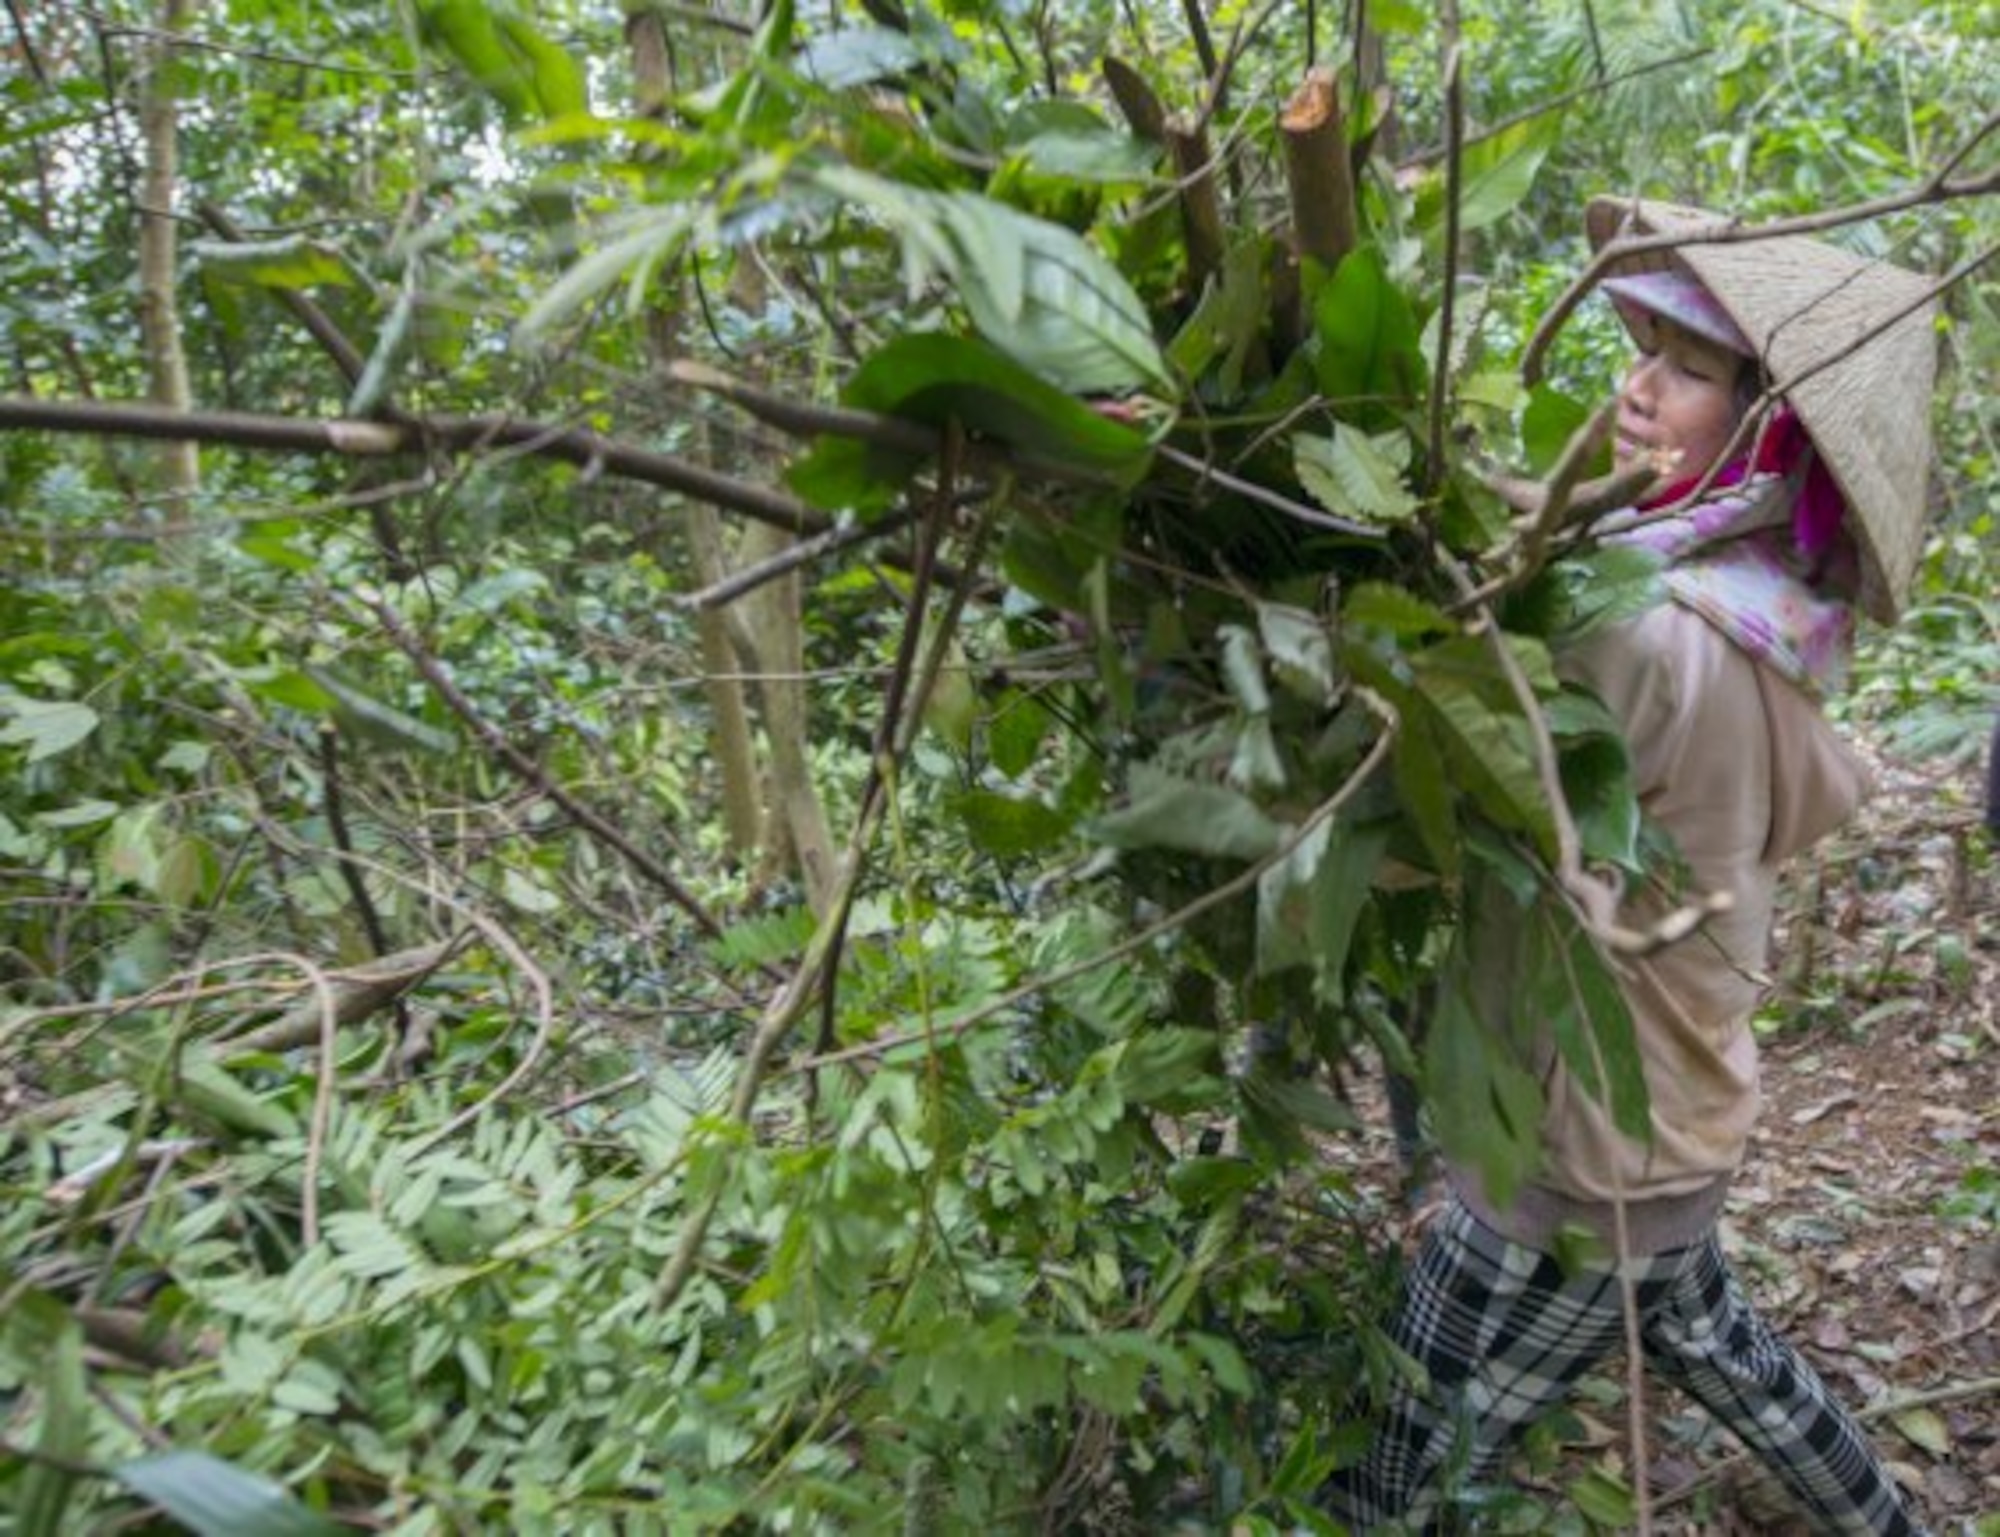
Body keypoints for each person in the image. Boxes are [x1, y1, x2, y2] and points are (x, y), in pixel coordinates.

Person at [1322, 198, 1938, 1534]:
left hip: (1578, 1151)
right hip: (1675, 1111)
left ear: (1769, 428)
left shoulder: (1649, 635)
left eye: (1689, 367)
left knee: (1390, 1459)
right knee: (1722, 1350)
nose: (1637, 387)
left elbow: (1444, 774)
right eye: (1641, 344)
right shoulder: (1763, 604)